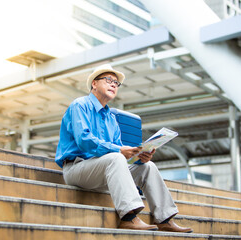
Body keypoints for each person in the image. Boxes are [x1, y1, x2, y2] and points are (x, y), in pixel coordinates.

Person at [55, 64, 192, 233]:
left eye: (116, 83)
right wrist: (120, 151)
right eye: (108, 80)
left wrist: (139, 156)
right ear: (94, 84)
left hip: (103, 171)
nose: (113, 84)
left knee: (147, 167)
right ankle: (128, 217)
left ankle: (164, 219)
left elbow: (119, 155)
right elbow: (85, 141)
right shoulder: (80, 105)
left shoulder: (111, 119)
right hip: (77, 169)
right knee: (116, 157)